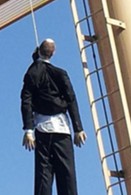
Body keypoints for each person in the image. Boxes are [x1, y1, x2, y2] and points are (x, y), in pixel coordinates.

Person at [21, 38, 87, 195]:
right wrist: (78, 129)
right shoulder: (61, 74)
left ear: (39, 51)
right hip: (62, 129)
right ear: (54, 53)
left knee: (43, 175)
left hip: (42, 128)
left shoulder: (32, 73)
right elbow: (71, 99)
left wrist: (28, 129)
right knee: (67, 175)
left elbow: (26, 101)